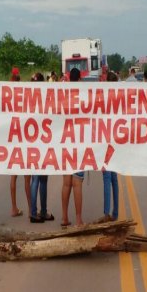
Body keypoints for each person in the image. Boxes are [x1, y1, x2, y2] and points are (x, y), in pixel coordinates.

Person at [29, 72, 54, 223]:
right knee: (40, 178)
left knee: (38, 178)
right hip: (42, 142)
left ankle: (38, 211)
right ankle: (38, 212)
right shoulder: (45, 99)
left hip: (33, 141)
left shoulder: (28, 100)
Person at [61, 67, 84, 227]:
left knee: (66, 183)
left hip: (65, 142)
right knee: (77, 183)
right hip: (79, 143)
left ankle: (64, 217)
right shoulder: (83, 97)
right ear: (80, 79)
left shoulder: (64, 96)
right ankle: (77, 219)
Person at [97, 71, 119, 223]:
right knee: (114, 178)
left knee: (107, 176)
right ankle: (115, 212)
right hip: (117, 139)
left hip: (107, 140)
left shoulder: (105, 98)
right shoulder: (119, 97)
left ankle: (106, 213)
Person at [9, 68, 31, 217]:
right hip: (23, 140)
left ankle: (14, 208)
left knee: (13, 177)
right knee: (27, 178)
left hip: (12, 141)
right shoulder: (23, 96)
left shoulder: (7, 97)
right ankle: (31, 208)